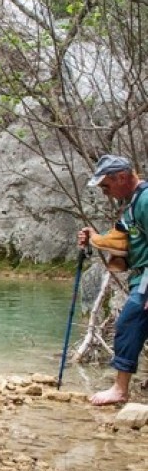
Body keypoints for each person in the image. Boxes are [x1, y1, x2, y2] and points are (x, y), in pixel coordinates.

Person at [78, 154, 148, 405]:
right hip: (141, 276)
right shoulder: (134, 203)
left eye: (106, 185)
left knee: (129, 322)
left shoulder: (146, 200)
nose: (104, 192)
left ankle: (120, 390)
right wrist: (95, 238)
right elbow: (122, 240)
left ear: (121, 177)